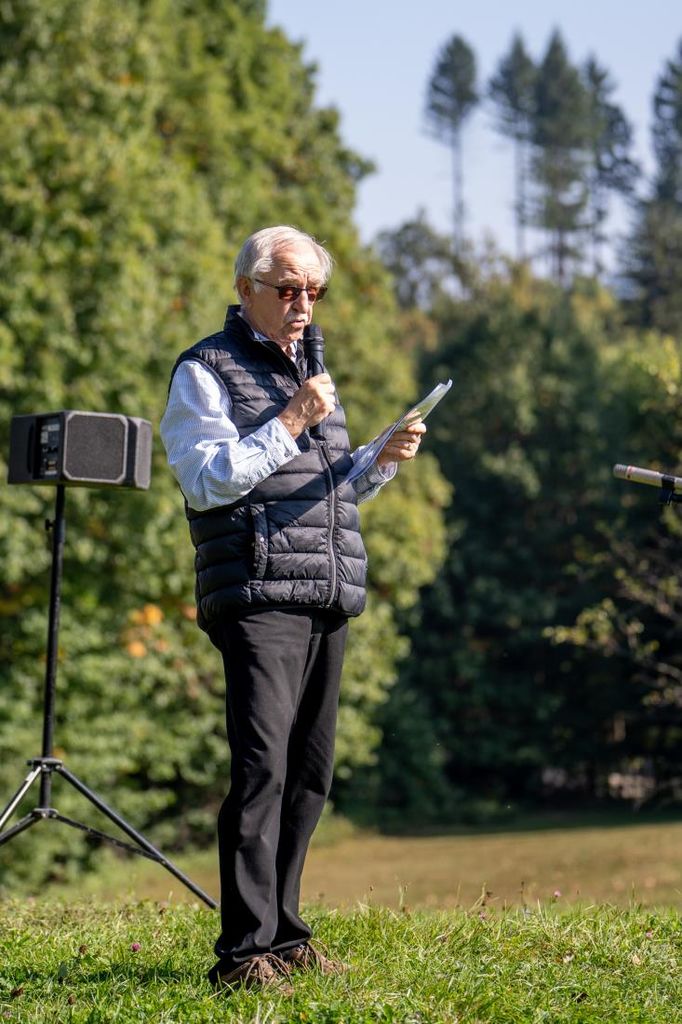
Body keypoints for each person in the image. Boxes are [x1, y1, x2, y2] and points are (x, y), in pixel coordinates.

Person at [160, 225, 425, 994]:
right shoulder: (205, 369)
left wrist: (376, 461)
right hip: (257, 592)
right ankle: (243, 955)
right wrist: (290, 422)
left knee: (309, 774)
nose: (303, 302)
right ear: (246, 290)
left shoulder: (312, 369)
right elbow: (207, 479)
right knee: (262, 770)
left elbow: (321, 492)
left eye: (314, 290)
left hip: (323, 592)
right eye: (288, 288)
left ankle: (285, 934)